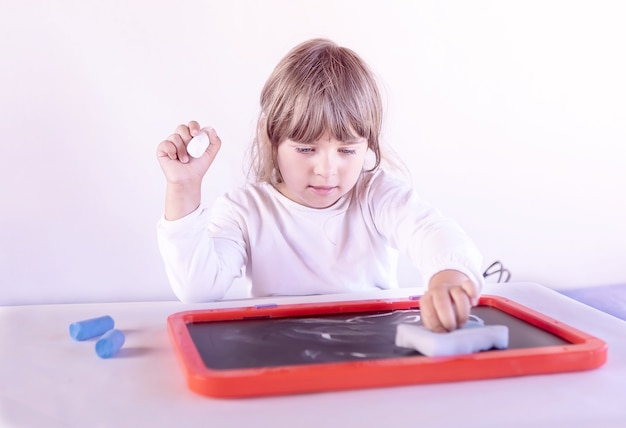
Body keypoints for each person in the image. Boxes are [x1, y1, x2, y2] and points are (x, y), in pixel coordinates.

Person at [156, 38, 484, 332]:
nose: (327, 170)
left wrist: (449, 277)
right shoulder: (245, 210)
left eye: (346, 150)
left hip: (369, 355)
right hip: (279, 360)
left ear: (367, 145)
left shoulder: (376, 196)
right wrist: (183, 188)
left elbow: (433, 233)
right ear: (273, 141)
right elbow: (198, 289)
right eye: (306, 149)